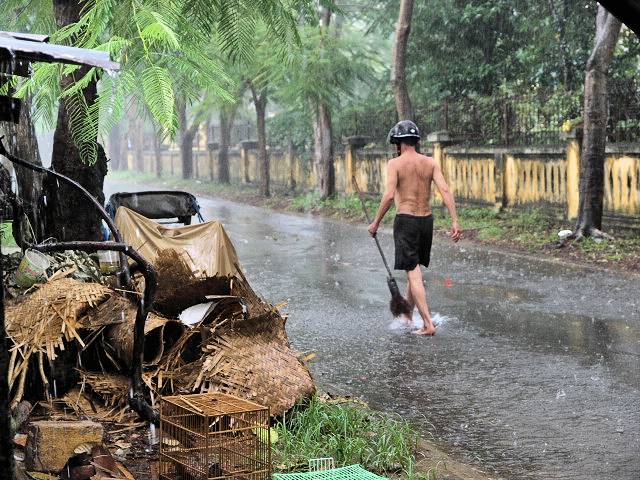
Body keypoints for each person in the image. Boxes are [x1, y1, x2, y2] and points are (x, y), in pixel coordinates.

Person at [368, 120, 461, 336]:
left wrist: (376, 222)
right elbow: (445, 190)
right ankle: (409, 316)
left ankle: (428, 324)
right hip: (426, 221)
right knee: (415, 268)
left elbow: (390, 196)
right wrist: (455, 220)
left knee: (414, 273)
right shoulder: (430, 162)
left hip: (406, 221)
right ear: (417, 141)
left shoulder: (395, 164)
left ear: (397, 143)